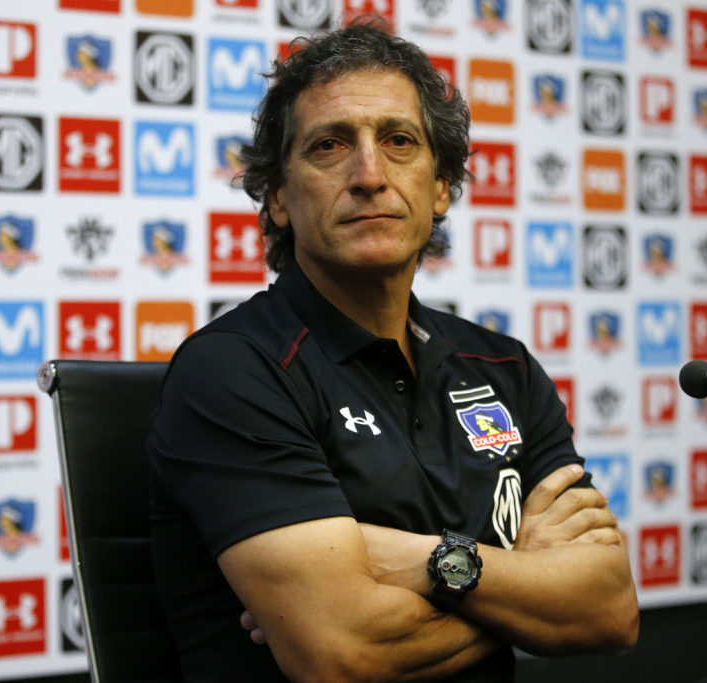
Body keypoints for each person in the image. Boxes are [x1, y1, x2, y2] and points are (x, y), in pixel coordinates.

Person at [147, 19, 638, 682]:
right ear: (279, 197)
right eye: (329, 145)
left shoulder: (505, 367)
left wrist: (420, 561)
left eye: (399, 141)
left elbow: (609, 609)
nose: (369, 174)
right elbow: (344, 653)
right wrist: (522, 574)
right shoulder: (233, 370)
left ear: (441, 187)